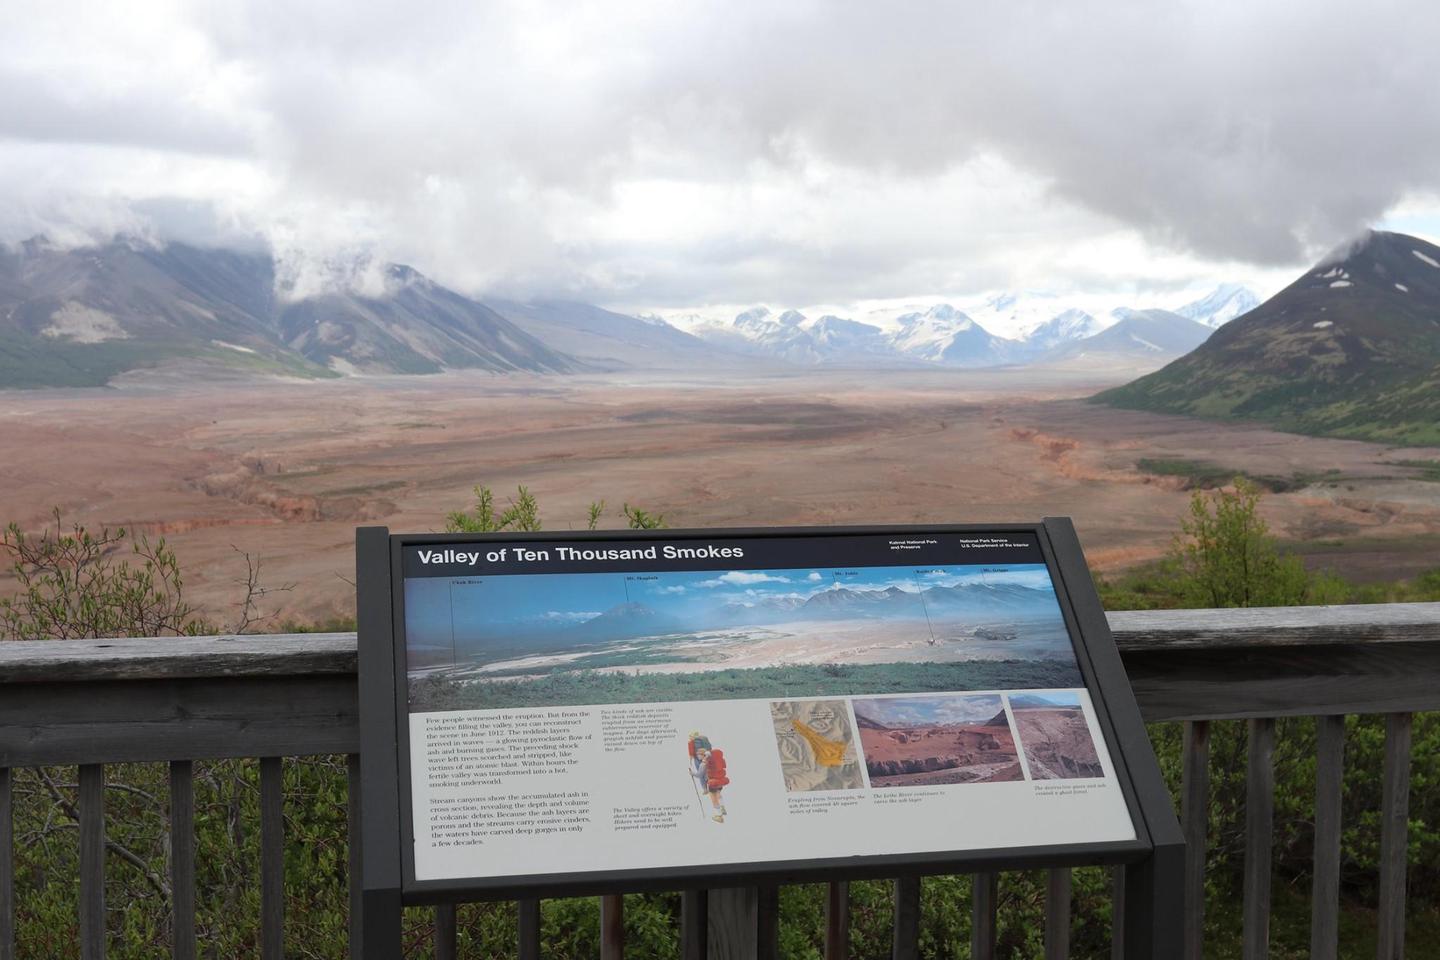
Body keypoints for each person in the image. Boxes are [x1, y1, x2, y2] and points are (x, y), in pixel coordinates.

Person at [696, 744, 729, 823]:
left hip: (712, 782)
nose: (697, 757)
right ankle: (723, 809)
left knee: (714, 799)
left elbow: (699, 774)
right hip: (720, 780)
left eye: (698, 755)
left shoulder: (705, 761)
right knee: (718, 794)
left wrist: (691, 773)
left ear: (703, 754)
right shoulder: (715, 757)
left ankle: (719, 816)